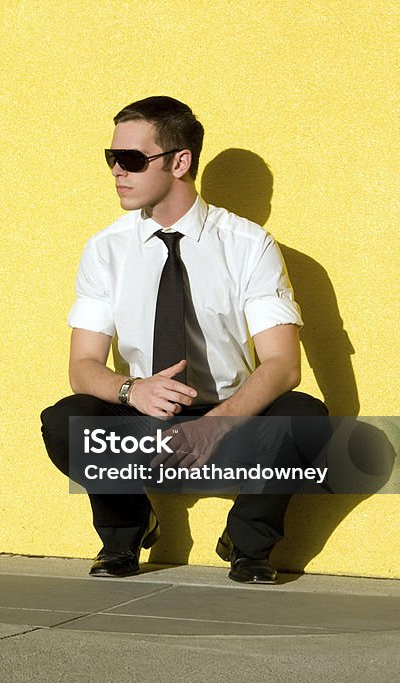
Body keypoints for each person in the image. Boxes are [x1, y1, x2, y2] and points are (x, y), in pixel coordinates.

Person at [40, 96, 328, 584]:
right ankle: (124, 532)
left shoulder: (248, 245)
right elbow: (83, 366)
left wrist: (215, 424)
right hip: (143, 416)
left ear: (179, 162)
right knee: (67, 419)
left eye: (131, 159)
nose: (116, 171)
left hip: (230, 418)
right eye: (111, 158)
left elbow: (282, 364)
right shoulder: (105, 249)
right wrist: (134, 390)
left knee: (305, 416)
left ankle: (247, 540)